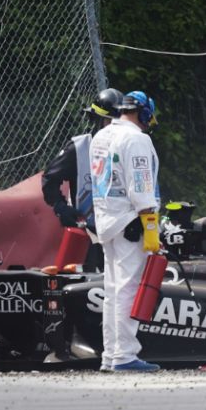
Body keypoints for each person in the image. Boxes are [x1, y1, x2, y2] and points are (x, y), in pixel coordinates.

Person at [90, 90, 162, 372]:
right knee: (127, 289)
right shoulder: (136, 138)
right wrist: (151, 226)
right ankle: (124, 356)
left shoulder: (101, 136)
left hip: (105, 220)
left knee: (112, 290)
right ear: (143, 112)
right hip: (130, 221)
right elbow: (141, 186)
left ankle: (110, 355)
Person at [42, 88, 124, 272]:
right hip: (86, 231)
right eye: (109, 122)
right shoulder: (78, 148)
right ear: (96, 121)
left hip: (119, 230)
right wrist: (60, 207)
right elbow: (50, 178)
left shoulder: (126, 148)